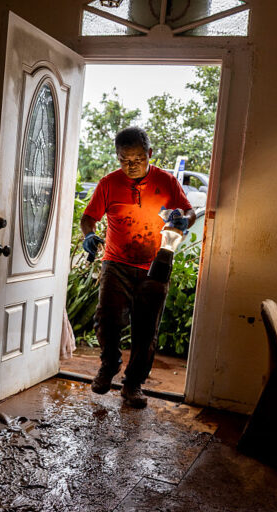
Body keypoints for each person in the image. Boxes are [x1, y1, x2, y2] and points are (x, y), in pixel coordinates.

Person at [80, 126, 196, 408]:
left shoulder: (166, 181)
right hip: (115, 263)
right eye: (124, 160)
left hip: (155, 264)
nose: (131, 166)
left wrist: (184, 220)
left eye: (137, 159)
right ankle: (109, 366)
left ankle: (133, 385)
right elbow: (88, 218)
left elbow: (190, 211)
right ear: (117, 157)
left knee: (146, 331)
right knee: (106, 320)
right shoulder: (109, 183)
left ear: (149, 154)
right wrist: (89, 236)